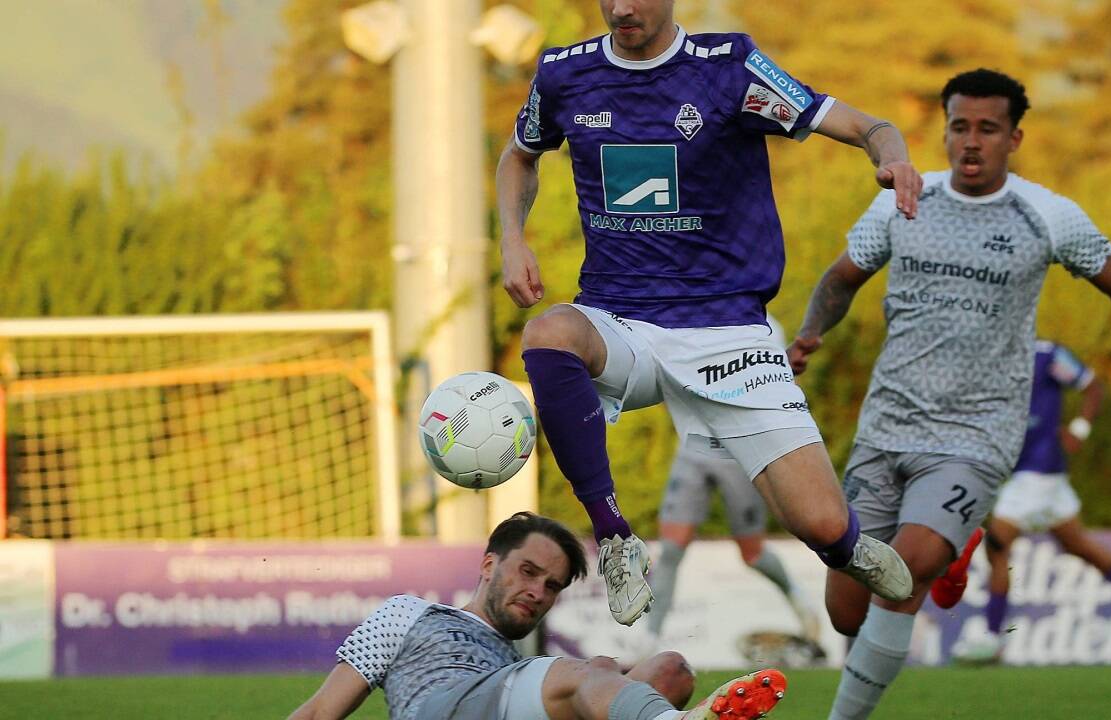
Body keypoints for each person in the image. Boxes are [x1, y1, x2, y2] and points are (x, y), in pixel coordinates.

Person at [497, 0, 920, 629]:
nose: (621, 9)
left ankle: (848, 548)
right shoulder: (565, 73)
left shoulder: (730, 69)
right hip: (623, 322)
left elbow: (866, 125)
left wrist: (895, 156)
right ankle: (615, 537)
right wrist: (512, 238)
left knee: (821, 523)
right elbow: (519, 155)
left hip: (727, 332)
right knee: (549, 333)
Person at [787, 68, 1111, 719]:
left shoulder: (1048, 215)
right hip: (886, 427)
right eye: (959, 127)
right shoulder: (902, 201)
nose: (970, 143)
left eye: (987, 129)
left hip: (976, 435)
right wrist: (808, 334)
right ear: (944, 131)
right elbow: (841, 278)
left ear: (1014, 138)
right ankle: (956, 551)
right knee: (845, 610)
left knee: (905, 567)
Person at [287, 511, 789, 720]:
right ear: (489, 564)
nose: (536, 592)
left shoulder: (515, 662)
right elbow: (317, 712)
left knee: (671, 671)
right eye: (528, 572)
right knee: (597, 672)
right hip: (441, 710)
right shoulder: (408, 613)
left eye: (551, 586)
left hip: (505, 702)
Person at [950, 340, 1111, 663]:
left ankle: (992, 638)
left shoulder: (1047, 354)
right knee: (1077, 545)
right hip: (1033, 473)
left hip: (1038, 470)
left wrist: (1080, 429)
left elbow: (1092, 386)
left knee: (996, 544)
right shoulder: (990, 352)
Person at [636, 315, 821, 659]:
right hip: (692, 449)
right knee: (672, 548)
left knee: (752, 552)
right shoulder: (689, 312)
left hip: (738, 451)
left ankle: (797, 596)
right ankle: (648, 641)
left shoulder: (767, 327)